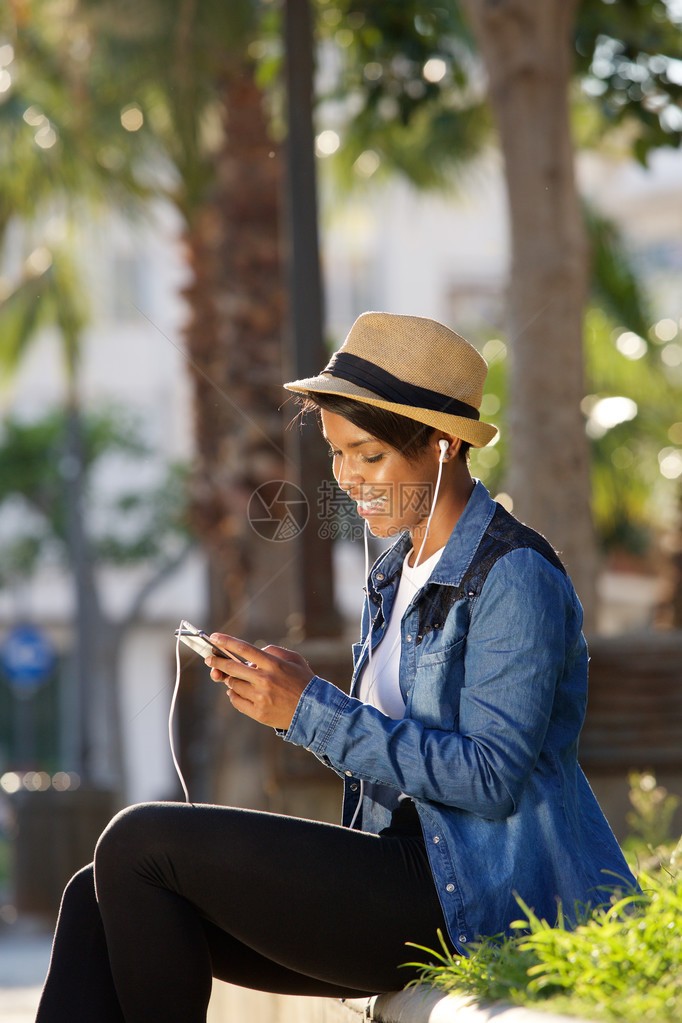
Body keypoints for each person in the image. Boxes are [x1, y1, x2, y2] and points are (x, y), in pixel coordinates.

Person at [36, 312, 635, 1023]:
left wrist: (311, 709)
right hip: (402, 874)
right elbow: (391, 755)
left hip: (478, 891)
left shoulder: (514, 573)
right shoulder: (395, 572)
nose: (348, 478)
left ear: (444, 444)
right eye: (337, 454)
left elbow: (489, 778)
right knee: (94, 892)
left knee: (137, 842)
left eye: (369, 455)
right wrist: (289, 700)